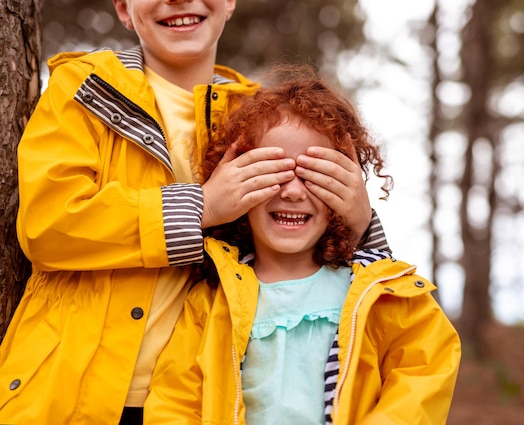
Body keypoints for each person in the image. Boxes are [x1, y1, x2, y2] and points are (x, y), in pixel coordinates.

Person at [0, 1, 388, 424]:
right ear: (124, 9)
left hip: (204, 401)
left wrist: (361, 224)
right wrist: (201, 206)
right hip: (66, 391)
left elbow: (297, 258)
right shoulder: (84, 88)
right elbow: (49, 226)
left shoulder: (262, 118)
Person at [144, 72, 462, 425]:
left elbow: (423, 372)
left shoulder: (382, 293)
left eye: (313, 174)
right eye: (273, 171)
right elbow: (174, 403)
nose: (293, 192)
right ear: (235, 184)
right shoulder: (211, 301)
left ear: (345, 188)